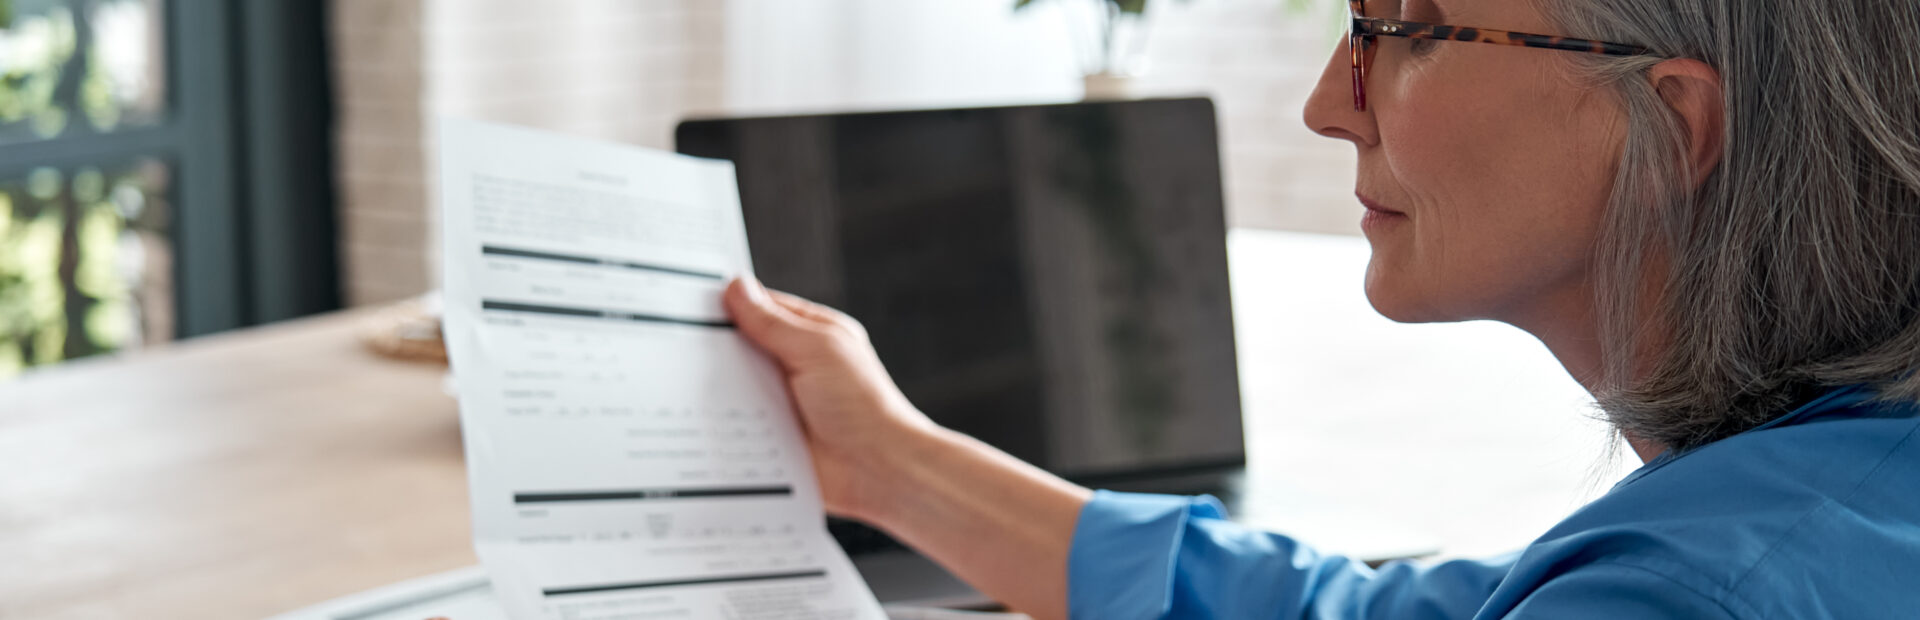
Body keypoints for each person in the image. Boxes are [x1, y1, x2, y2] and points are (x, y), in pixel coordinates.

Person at [719, 0, 1920, 617]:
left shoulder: (1688, 594)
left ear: (1667, 134)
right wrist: (891, 465)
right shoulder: (1819, 491)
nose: (1325, 105)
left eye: (1407, 30)